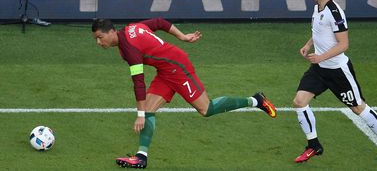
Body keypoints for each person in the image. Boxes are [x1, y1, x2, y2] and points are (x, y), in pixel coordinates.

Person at [91, 18, 277, 169]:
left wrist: (139, 116)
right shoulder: (132, 28)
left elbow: (138, 83)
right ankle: (141, 157)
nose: (99, 43)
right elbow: (158, 22)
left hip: (178, 68)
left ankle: (256, 100)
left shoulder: (129, 49)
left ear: (111, 31)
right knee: (148, 108)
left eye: (100, 37)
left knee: (207, 109)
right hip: (165, 70)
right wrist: (182, 37)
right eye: (96, 39)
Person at [292, 0, 377, 164]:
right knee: (299, 101)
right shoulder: (318, 7)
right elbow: (319, 31)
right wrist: (308, 44)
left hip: (338, 71)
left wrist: (320, 56)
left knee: (357, 108)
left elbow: (343, 44)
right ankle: (313, 145)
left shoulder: (335, 12)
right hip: (319, 69)